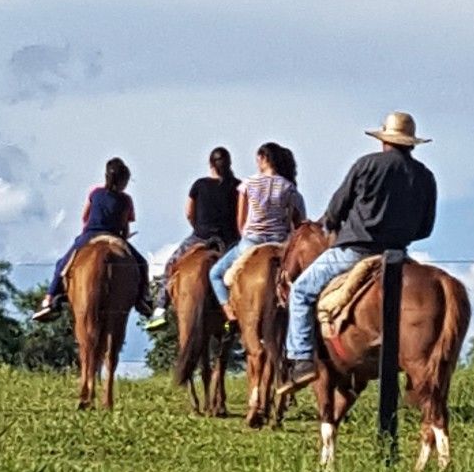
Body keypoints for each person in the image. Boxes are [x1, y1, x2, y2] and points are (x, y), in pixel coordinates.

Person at [278, 110, 437, 393]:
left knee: (301, 291)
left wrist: (335, 223)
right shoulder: (425, 176)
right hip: (399, 257)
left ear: (384, 140)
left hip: (354, 252)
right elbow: (425, 229)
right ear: (411, 143)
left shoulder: (366, 165)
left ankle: (301, 360)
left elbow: (336, 209)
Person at [33, 157, 152, 320]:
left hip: (90, 234)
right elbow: (125, 227)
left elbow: (85, 217)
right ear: (124, 181)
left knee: (62, 264)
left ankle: (50, 299)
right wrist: (124, 238)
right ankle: (143, 298)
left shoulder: (95, 193)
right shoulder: (126, 200)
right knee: (142, 264)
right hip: (114, 237)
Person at [145, 147, 240, 331]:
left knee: (170, 266)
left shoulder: (199, 185)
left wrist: (198, 227)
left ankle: (159, 310)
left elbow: (189, 212)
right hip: (228, 240)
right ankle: (235, 313)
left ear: (210, 164)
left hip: (200, 237)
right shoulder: (237, 186)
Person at [208, 142, 306, 317]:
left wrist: (245, 234)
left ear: (263, 158)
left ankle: (229, 311)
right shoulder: (288, 187)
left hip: (251, 242)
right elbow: (295, 219)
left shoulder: (248, 184)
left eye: (258, 159)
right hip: (279, 242)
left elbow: (241, 220)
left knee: (215, 273)